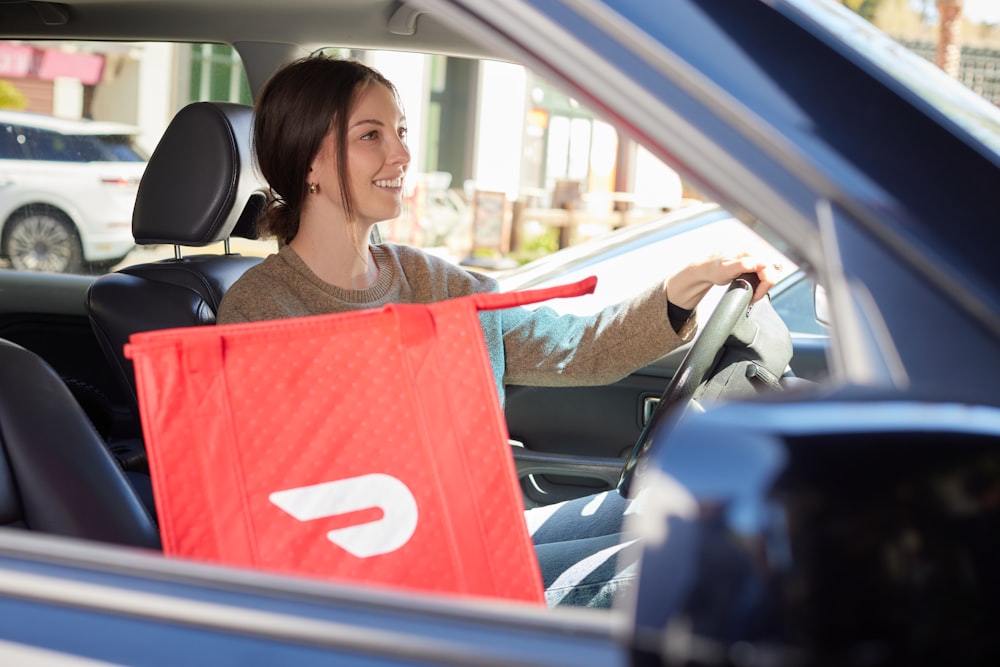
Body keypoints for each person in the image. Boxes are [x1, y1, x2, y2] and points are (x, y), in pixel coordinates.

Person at [217, 55, 779, 608]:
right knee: (697, 562)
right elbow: (278, 496)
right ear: (308, 162)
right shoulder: (261, 310)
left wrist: (688, 283)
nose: (402, 154)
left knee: (663, 512)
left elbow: (578, 347)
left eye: (401, 131)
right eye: (372, 136)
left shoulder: (428, 278)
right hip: (382, 577)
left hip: (462, 535)